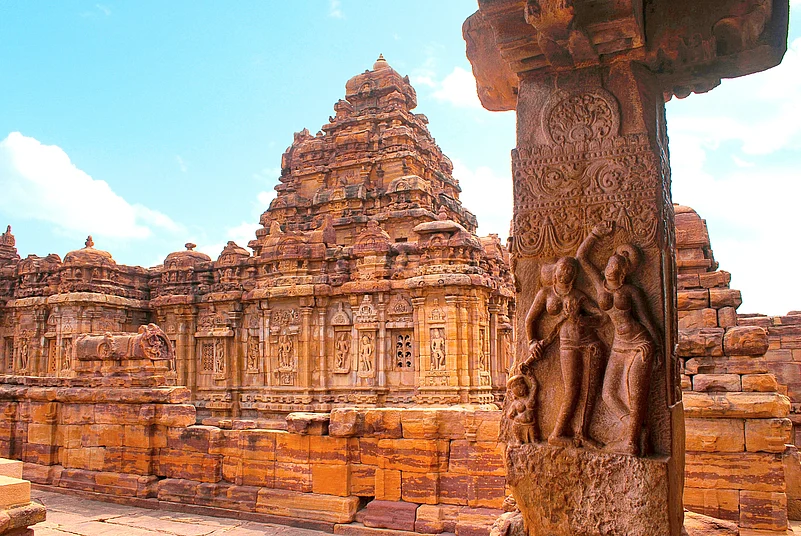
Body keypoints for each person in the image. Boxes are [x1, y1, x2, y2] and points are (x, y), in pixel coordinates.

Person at [577, 222, 661, 456]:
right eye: (610, 264)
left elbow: (646, 320)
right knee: (609, 393)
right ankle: (634, 430)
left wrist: (658, 348)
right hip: (619, 345)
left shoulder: (631, 292)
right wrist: (595, 234)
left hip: (639, 344)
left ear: (624, 272)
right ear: (605, 268)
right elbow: (581, 257)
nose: (612, 269)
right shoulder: (599, 285)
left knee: (636, 395)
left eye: (618, 267)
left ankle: (632, 443)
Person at [523, 256, 604, 448]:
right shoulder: (545, 294)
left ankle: (583, 432)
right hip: (566, 344)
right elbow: (530, 320)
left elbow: (601, 317)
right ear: (555, 271)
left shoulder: (578, 295)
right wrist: (531, 342)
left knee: (591, 390)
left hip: (589, 343)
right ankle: (557, 433)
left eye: (570, 270)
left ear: (574, 275)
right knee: (572, 390)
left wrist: (581, 319)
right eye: (563, 268)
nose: (565, 273)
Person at [505, 374, 539, 444]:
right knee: (519, 441)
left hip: (531, 424)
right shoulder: (515, 403)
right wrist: (516, 416)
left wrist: (531, 375)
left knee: (535, 441)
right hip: (519, 425)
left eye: (521, 384)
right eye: (516, 386)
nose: (520, 387)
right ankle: (519, 440)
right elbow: (510, 415)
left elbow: (535, 386)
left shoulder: (530, 397)